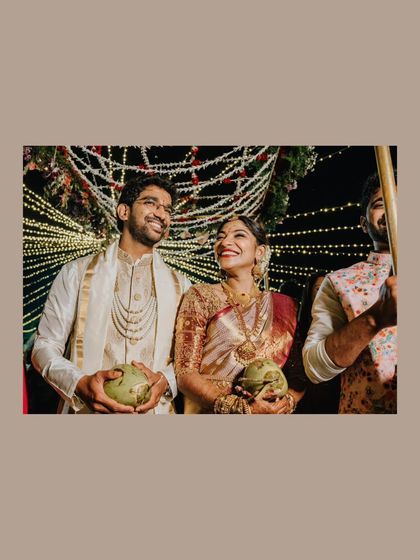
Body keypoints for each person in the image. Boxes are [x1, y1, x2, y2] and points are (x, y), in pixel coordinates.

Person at [31, 175, 191, 414]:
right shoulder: (77, 272)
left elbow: (189, 359)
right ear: (123, 211)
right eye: (151, 203)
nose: (161, 213)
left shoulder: (182, 285)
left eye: (167, 209)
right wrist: (80, 383)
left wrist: (165, 381)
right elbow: (44, 345)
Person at [174, 215, 306, 414]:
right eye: (220, 237)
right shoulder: (200, 295)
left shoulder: (287, 306)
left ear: (259, 252)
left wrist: (285, 403)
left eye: (239, 235)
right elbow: (184, 373)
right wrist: (237, 409)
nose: (225, 242)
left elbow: (298, 374)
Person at [303, 172, 397, 413]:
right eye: (380, 203)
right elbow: (314, 368)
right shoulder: (338, 282)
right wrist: (374, 318)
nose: (394, 208)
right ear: (364, 223)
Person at [296, 271, 341, 413]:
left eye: (326, 288)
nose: (323, 292)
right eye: (318, 289)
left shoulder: (338, 321)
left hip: (333, 386)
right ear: (309, 293)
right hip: (306, 388)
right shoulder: (299, 322)